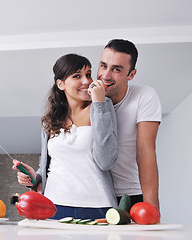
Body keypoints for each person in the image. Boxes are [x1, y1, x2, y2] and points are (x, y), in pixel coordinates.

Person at [14, 53, 118, 220]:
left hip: (98, 206)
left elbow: (106, 161)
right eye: (77, 76)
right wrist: (35, 176)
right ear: (60, 84)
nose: (87, 81)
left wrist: (99, 104)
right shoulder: (49, 121)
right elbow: (50, 164)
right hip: (53, 205)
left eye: (88, 74)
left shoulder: (102, 107)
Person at [97, 39, 162, 209]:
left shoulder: (144, 96)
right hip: (95, 194)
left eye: (116, 69)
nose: (106, 75)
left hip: (130, 194)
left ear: (131, 74)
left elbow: (145, 152)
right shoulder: (86, 95)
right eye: (103, 66)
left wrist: (151, 208)